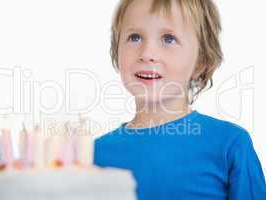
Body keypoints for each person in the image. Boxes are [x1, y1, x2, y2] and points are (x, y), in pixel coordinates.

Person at [94, 0, 266, 199]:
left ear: (201, 61)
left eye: (168, 39)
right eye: (135, 37)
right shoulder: (93, 155)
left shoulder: (230, 144)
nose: (147, 54)